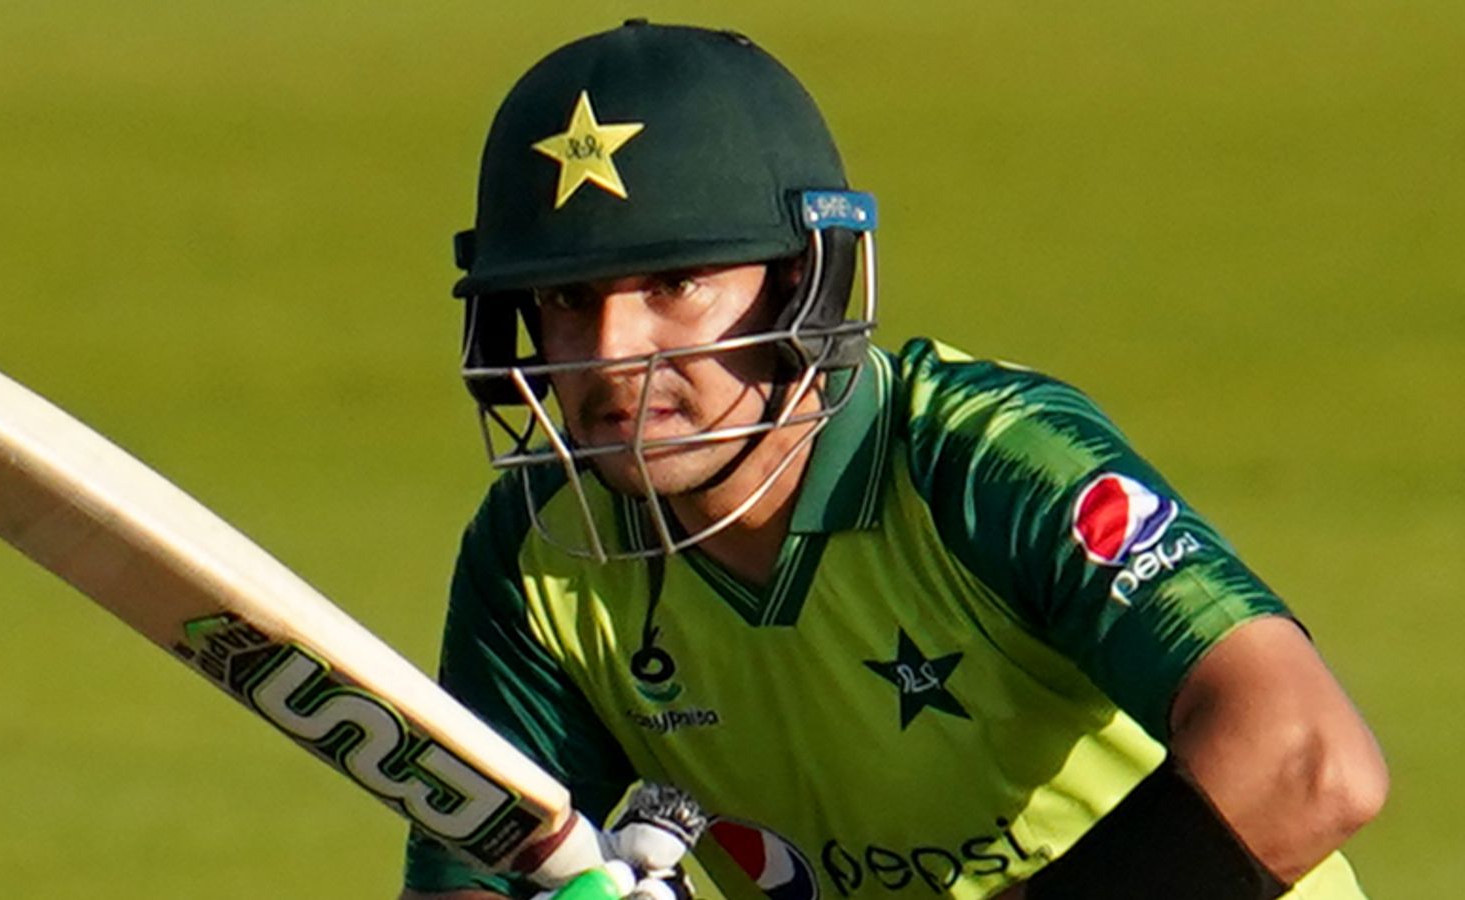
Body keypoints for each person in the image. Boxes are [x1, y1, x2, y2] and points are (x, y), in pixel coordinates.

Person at [402, 20, 1386, 900]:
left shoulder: (984, 460)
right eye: (567, 299)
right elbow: (474, 882)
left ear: (805, 283)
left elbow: (1309, 761)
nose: (612, 356)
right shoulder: (537, 552)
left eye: (674, 284)